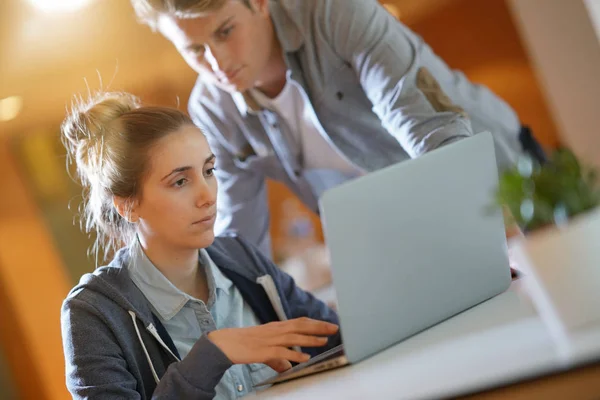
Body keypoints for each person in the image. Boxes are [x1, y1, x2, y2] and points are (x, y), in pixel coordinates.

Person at [131, 0, 547, 256]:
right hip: (409, 234)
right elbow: (238, 238)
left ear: (259, 2)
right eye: (195, 50)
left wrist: (493, 231)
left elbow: (428, 127)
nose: (218, 63)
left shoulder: (335, 12)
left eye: (225, 31)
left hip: (502, 184)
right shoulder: (213, 113)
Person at [60, 92, 341, 400]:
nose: (207, 196)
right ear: (127, 206)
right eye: (180, 182)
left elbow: (334, 339)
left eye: (208, 171)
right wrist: (213, 355)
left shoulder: (240, 257)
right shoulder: (93, 313)